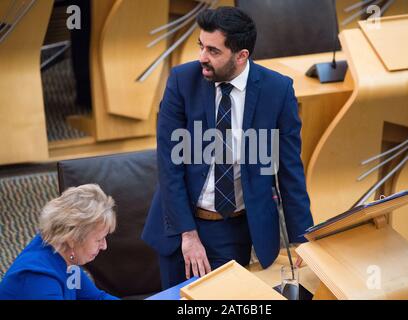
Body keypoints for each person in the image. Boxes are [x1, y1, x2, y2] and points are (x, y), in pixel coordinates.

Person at [142, 6, 313, 289]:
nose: (202, 58)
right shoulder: (183, 82)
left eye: (213, 51)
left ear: (241, 55)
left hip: (232, 229)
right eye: (201, 46)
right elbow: (169, 165)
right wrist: (188, 234)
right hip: (181, 224)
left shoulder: (277, 91)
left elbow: (289, 169)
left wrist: (302, 240)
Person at [0, 184, 119, 300]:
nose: (104, 246)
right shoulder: (39, 279)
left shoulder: (66, 256)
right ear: (72, 238)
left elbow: (95, 297)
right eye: (98, 240)